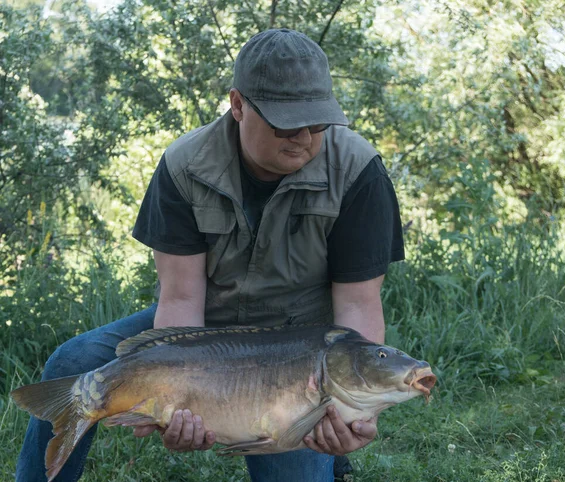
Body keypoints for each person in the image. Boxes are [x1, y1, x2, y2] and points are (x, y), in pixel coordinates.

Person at [16, 28, 404, 482]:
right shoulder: (184, 166)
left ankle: (327, 455)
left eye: (317, 123)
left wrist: (361, 415)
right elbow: (180, 300)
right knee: (72, 362)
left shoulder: (359, 172)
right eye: (285, 122)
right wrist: (176, 398)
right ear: (238, 105)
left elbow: (357, 307)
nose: (304, 137)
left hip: (299, 347)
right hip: (205, 325)